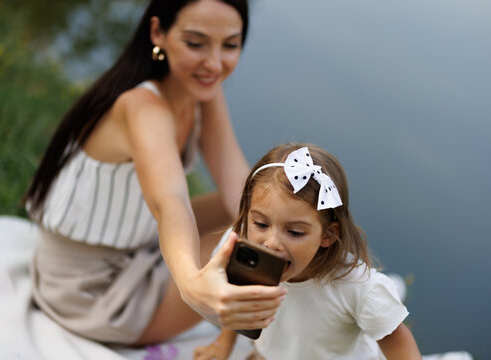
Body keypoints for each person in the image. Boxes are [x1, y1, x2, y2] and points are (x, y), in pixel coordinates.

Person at [24, 0, 287, 346]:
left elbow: (239, 183)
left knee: (261, 216)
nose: (214, 63)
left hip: (138, 245)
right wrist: (191, 282)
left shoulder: (202, 91)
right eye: (195, 43)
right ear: (157, 33)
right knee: (253, 247)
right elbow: (169, 201)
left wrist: (296, 230)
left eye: (230, 45)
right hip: (89, 292)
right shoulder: (142, 107)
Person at [194, 143, 422, 359]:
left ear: (328, 235)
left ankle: (397, 287)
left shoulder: (356, 287)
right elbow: (241, 298)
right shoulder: (243, 251)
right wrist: (224, 342)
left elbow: (397, 340)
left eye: (294, 232)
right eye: (261, 224)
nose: (271, 243)